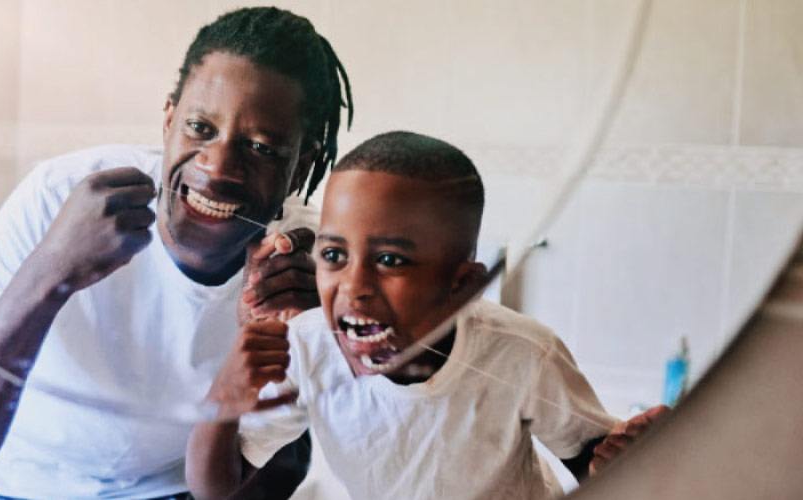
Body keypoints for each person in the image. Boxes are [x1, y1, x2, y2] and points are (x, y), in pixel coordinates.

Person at [0, 7, 353, 500]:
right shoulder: (59, 198)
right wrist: (54, 268)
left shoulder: (309, 265)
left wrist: (319, 336)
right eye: (200, 128)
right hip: (7, 486)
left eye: (262, 148)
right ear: (168, 119)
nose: (218, 166)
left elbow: (271, 469)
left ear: (303, 162)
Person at [186, 131, 669, 500]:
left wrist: (622, 460)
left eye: (391, 260)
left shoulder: (521, 354)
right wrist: (223, 400)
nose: (354, 287)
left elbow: (589, 460)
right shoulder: (310, 347)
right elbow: (216, 488)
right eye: (335, 256)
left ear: (460, 288)